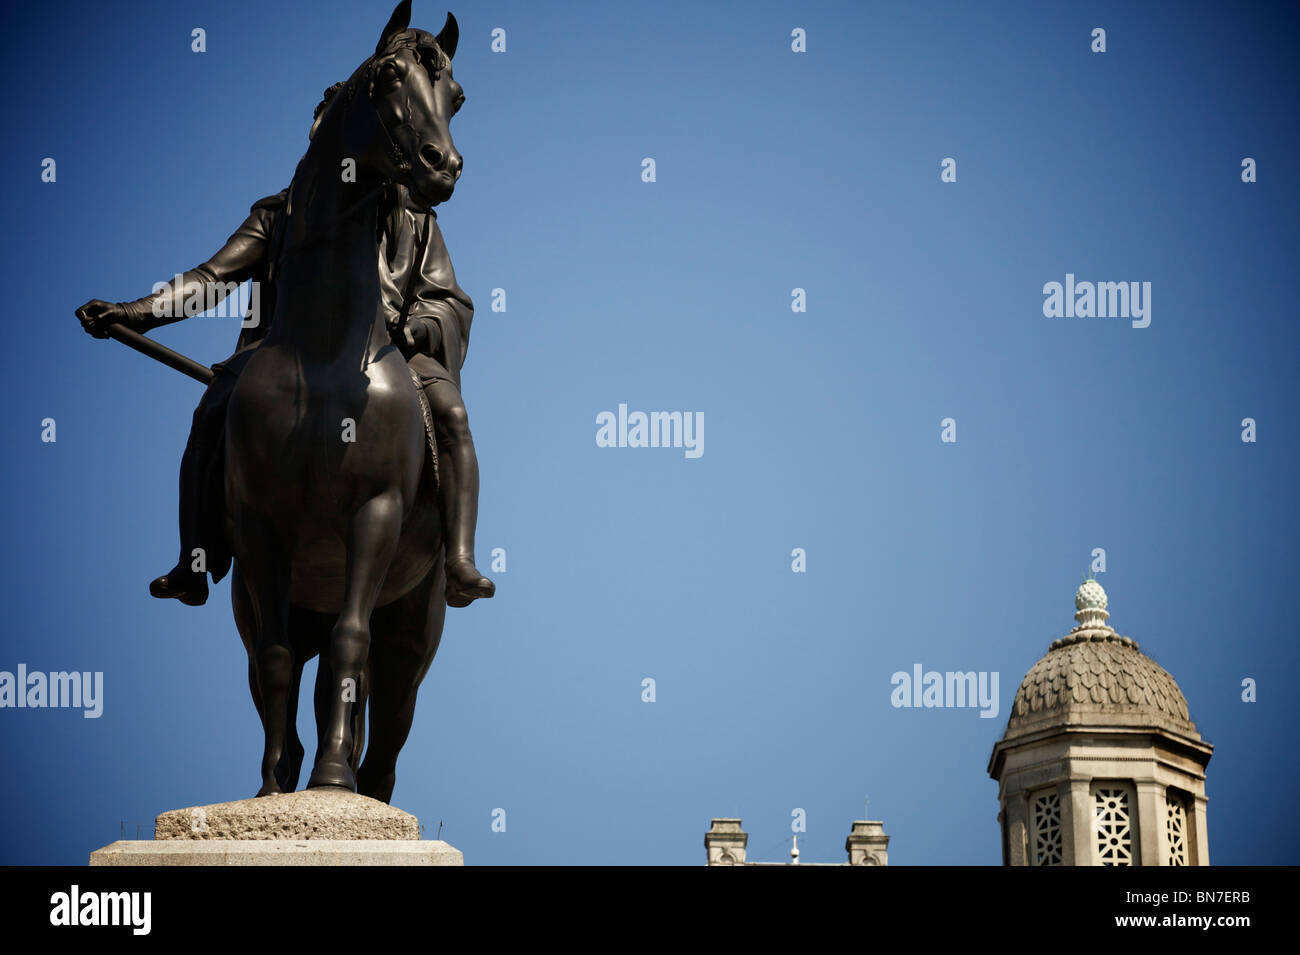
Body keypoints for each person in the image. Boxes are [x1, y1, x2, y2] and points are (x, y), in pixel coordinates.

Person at [76, 84, 494, 608]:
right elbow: (211, 278)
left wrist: (416, 332)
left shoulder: (415, 219)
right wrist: (133, 311)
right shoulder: (278, 214)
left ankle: (458, 558)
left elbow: (448, 300)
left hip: (393, 354)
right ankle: (194, 559)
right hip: (278, 351)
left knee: (452, 415)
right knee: (210, 415)